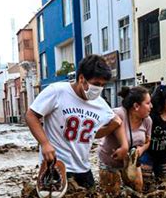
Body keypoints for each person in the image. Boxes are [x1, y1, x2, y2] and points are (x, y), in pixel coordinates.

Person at [26, 54, 128, 190]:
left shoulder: (100, 103)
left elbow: (115, 123)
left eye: (103, 85)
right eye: (96, 84)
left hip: (83, 168)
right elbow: (31, 115)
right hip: (58, 166)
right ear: (81, 79)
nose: (99, 89)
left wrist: (124, 146)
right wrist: (44, 143)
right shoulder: (57, 91)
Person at [99, 86, 152, 194]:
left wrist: (141, 150)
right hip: (110, 162)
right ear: (136, 106)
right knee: (113, 197)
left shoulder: (148, 120)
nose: (151, 106)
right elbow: (96, 132)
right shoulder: (118, 114)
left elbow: (148, 141)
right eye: (148, 103)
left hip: (131, 163)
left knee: (138, 189)